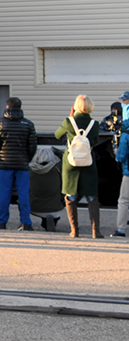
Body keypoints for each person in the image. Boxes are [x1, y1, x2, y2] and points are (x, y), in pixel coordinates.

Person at [55, 94, 103, 238]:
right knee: (92, 196)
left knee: (71, 196)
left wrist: (71, 117)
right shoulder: (94, 124)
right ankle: (95, 231)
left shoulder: (68, 122)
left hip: (71, 162)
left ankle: (74, 230)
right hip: (88, 161)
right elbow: (95, 140)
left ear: (75, 106)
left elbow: (57, 135)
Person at [0, 96, 38, 230]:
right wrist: (27, 159)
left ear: (7, 107)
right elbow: (32, 145)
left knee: (4, 193)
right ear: (20, 107)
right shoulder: (28, 124)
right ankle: (26, 222)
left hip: (5, 164)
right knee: (23, 194)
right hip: (22, 164)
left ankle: (1, 222)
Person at [116, 104, 129, 238]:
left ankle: (121, 229)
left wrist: (116, 153)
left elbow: (122, 156)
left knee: (124, 200)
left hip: (128, 172)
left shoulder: (126, 134)